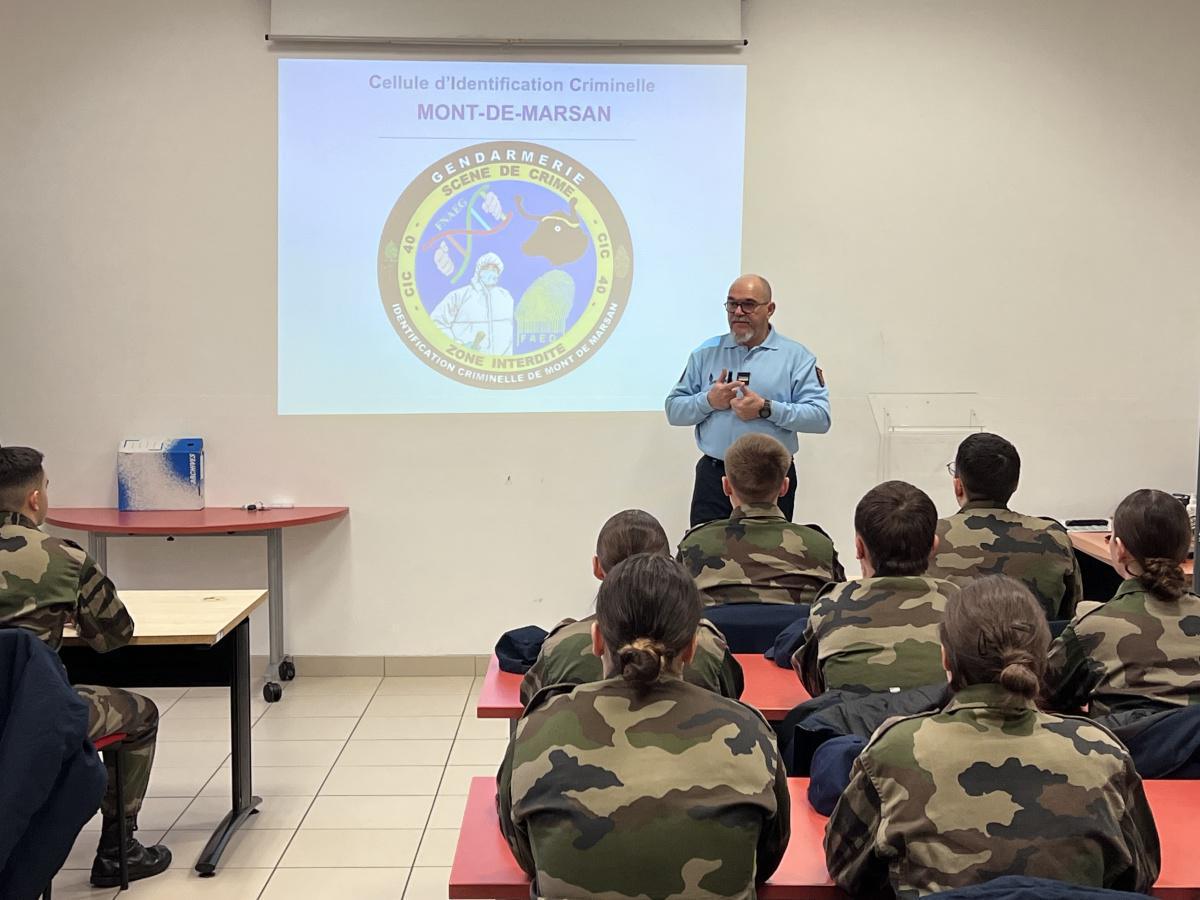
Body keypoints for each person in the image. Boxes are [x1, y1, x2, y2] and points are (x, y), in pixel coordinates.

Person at [824, 575, 1160, 897]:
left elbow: (845, 866)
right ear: (1043, 660)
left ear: (945, 659)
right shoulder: (1102, 752)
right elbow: (1140, 873)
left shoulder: (895, 751)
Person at [499, 553, 790, 899]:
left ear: (596, 639)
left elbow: (527, 855)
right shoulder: (750, 733)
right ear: (692, 647)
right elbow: (766, 859)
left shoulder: (535, 731)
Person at [0, 446, 171, 886]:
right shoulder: (64, 556)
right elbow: (114, 636)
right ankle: (119, 851)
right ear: (35, 499)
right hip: (32, 718)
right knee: (141, 713)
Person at [520, 509, 742, 704]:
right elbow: (731, 699)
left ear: (598, 567)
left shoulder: (559, 648)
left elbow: (532, 704)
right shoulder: (709, 647)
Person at [665, 274, 831, 527]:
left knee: (771, 560)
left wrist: (766, 409)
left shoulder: (796, 357)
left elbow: (820, 418)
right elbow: (674, 410)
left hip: (771, 477)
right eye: (732, 304)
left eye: (748, 304)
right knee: (705, 555)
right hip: (716, 475)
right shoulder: (705, 353)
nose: (738, 312)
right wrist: (709, 401)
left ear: (770, 309)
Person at [794, 481, 958, 695]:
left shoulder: (829, 606)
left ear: (859, 547)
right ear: (934, 546)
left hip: (850, 726)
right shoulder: (961, 605)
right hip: (938, 726)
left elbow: (816, 687)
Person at [1046, 489, 1199, 715]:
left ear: (1119, 549)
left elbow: (1046, 693)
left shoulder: (1092, 627)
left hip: (1124, 747)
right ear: (1186, 546)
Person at [926, 432, 1082, 620]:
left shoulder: (929, 537)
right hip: (1035, 647)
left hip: (953, 648)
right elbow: (1072, 616)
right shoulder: (1053, 537)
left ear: (958, 486)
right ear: (1015, 485)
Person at [678, 433, 843, 605]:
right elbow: (835, 611)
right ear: (785, 486)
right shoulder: (819, 547)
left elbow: (677, 611)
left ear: (726, 486)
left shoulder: (694, 545)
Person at [430, 251, 516, 354]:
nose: (491, 271)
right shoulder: (460, 295)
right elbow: (436, 322)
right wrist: (457, 346)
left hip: (499, 365)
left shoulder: (506, 297)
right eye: (486, 268)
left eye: (494, 269)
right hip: (466, 362)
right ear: (478, 271)